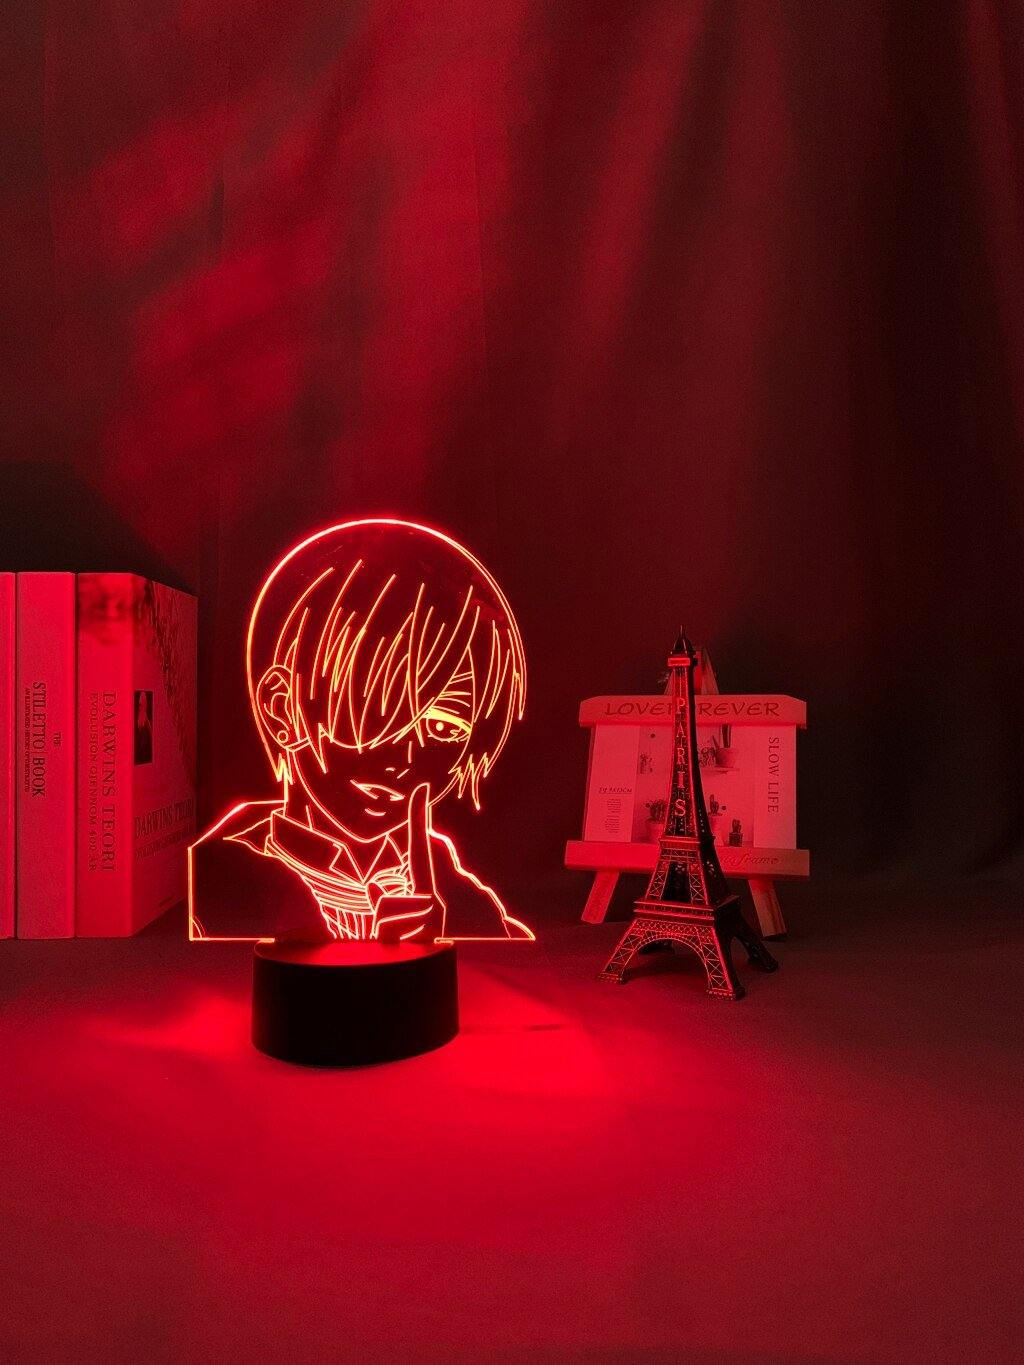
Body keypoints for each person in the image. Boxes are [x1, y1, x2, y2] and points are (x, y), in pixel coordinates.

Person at [189, 518, 533, 944]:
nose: (404, 760)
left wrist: (439, 950)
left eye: (444, 727)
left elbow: (510, 957)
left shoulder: (450, 887)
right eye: (375, 707)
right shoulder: (219, 889)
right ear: (282, 709)